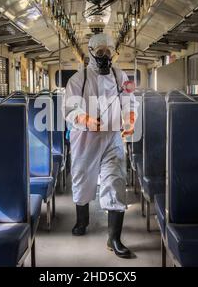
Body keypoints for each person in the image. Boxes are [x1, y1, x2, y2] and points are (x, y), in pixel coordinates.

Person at [64, 33, 138, 259]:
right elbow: (69, 110)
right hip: (85, 139)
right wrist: (86, 119)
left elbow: (129, 100)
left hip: (112, 137)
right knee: (83, 178)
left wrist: (131, 119)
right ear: (91, 52)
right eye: (100, 52)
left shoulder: (120, 75)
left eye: (108, 51)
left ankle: (114, 238)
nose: (104, 56)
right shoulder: (78, 80)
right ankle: (82, 220)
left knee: (115, 181)